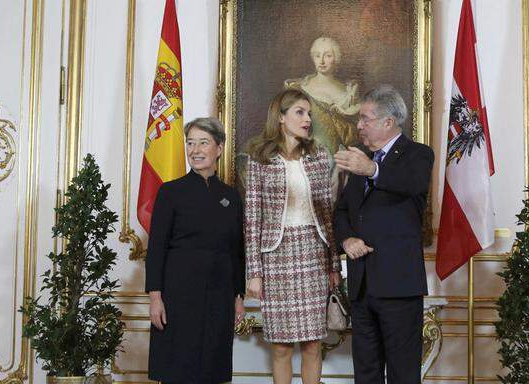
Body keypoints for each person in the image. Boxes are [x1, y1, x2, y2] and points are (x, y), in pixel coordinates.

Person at [334, 85, 434, 383]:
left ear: (388, 122)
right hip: (362, 286)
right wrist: (347, 239)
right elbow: (342, 212)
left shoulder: (417, 154)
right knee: (366, 373)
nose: (359, 125)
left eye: (365, 118)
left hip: (399, 286)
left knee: (403, 373)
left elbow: (411, 184)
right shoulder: (360, 159)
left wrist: (372, 170)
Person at [244, 89, 342, 384]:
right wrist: (254, 273)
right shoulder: (259, 158)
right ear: (281, 117)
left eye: (309, 113)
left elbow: (328, 216)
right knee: (282, 346)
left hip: (314, 255)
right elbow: (252, 220)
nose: (307, 119)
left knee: (313, 344)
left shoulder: (319, 156)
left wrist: (334, 266)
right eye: (300, 112)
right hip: (276, 258)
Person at [145, 117, 245, 384]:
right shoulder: (170, 192)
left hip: (220, 295)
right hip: (177, 295)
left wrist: (238, 295)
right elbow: (156, 249)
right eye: (191, 143)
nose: (196, 150)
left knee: (213, 367)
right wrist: (155, 298)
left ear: (219, 148)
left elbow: (236, 251)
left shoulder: (231, 196)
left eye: (203, 143)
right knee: (178, 368)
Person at [285, 36, 360, 199]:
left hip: (340, 158)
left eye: (328, 55)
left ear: (336, 58)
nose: (322, 61)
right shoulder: (301, 88)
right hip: (308, 153)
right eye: (317, 55)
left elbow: (353, 131)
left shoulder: (347, 91)